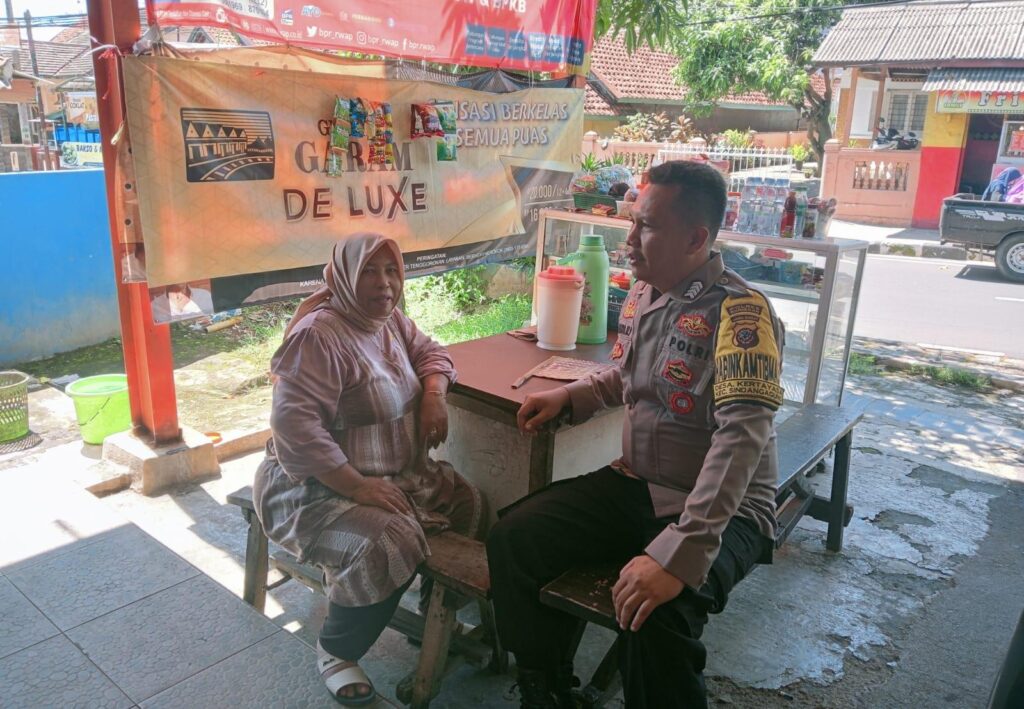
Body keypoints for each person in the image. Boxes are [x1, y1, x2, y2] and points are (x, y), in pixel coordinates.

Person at [487, 161, 785, 709]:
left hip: (727, 509)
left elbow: (740, 441)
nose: (629, 240)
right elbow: (629, 374)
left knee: (657, 615)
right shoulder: (646, 293)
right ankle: (545, 689)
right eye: (632, 222)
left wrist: (680, 553)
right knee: (515, 538)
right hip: (639, 483)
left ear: (695, 238)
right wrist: (571, 397)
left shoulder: (743, 317)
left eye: (646, 226)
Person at [253, 233, 485, 706]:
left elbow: (432, 352)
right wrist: (357, 486)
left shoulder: (388, 320)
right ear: (343, 277)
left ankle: (432, 617)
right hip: (315, 488)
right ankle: (337, 649)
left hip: (394, 474)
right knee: (388, 541)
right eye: (370, 272)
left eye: (392, 271)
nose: (385, 284)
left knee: (468, 502)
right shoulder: (319, 335)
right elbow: (294, 427)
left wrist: (434, 394)